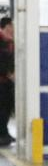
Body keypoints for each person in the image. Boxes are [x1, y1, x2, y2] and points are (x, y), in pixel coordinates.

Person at [0, 16, 13, 146]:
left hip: (7, 81)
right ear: (7, 26)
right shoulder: (1, 40)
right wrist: (7, 73)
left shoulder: (9, 41)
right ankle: (2, 134)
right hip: (2, 80)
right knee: (2, 109)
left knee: (7, 108)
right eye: (12, 26)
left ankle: (5, 132)